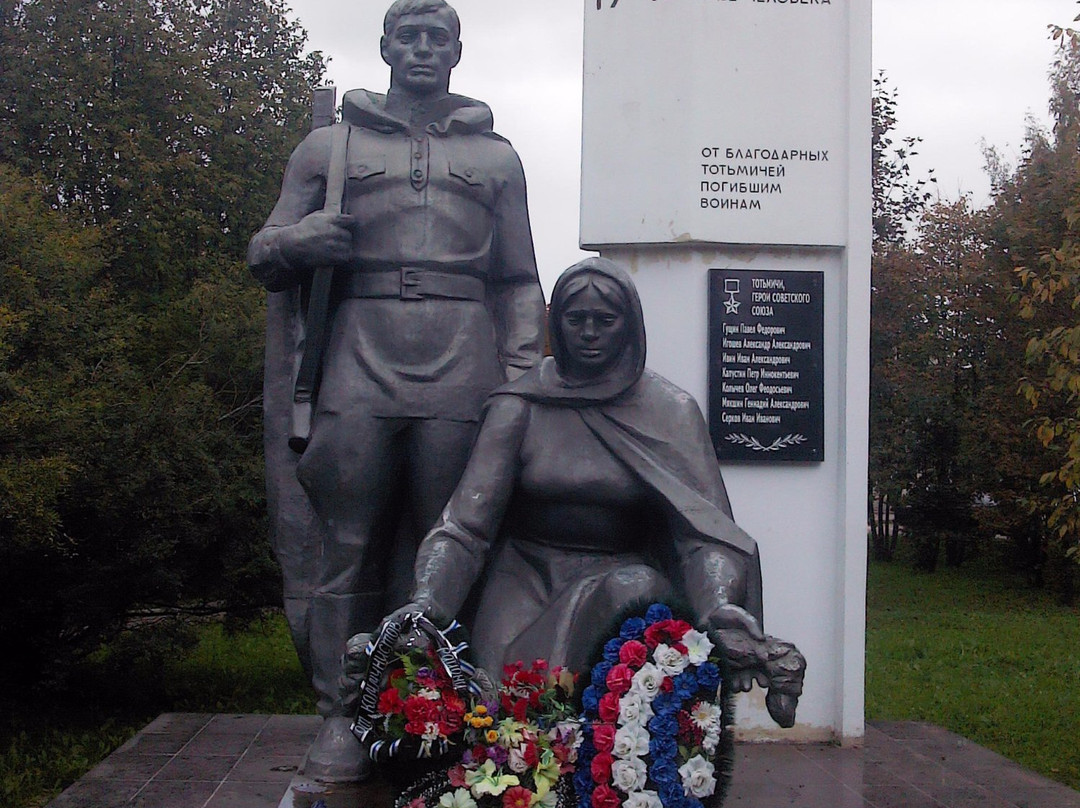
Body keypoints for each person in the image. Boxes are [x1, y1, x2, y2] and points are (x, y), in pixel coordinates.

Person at [247, 0, 546, 779]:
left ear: (456, 51)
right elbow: (264, 250)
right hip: (359, 352)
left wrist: (518, 378)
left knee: (447, 544)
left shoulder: (498, 158)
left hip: (462, 356)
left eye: (436, 37)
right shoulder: (328, 146)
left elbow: (518, 280)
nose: (422, 48)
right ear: (384, 46)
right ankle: (340, 719)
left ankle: (447, 715)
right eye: (408, 35)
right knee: (345, 546)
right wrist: (299, 239)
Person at [404, 257, 805, 728]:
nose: (589, 332)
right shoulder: (520, 405)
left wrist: (717, 603)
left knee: (631, 600)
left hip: (620, 574)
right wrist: (427, 602)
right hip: (525, 575)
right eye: (576, 320)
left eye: (604, 320)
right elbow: (465, 527)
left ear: (629, 325)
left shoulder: (671, 412)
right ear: (558, 322)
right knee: (497, 711)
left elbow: (706, 534)